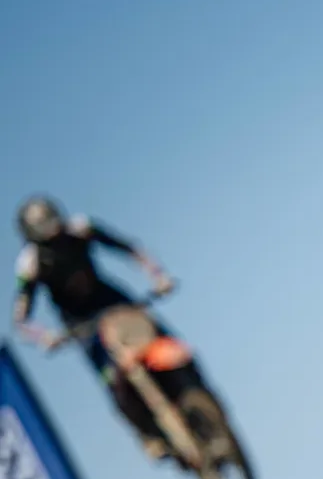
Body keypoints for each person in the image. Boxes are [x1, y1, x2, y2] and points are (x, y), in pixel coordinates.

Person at [12, 195, 197, 459]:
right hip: (82, 324)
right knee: (112, 377)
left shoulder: (81, 229)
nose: (54, 233)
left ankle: (199, 391)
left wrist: (158, 276)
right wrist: (44, 336)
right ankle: (149, 436)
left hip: (114, 302)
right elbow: (20, 319)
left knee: (163, 339)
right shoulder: (31, 264)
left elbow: (129, 248)